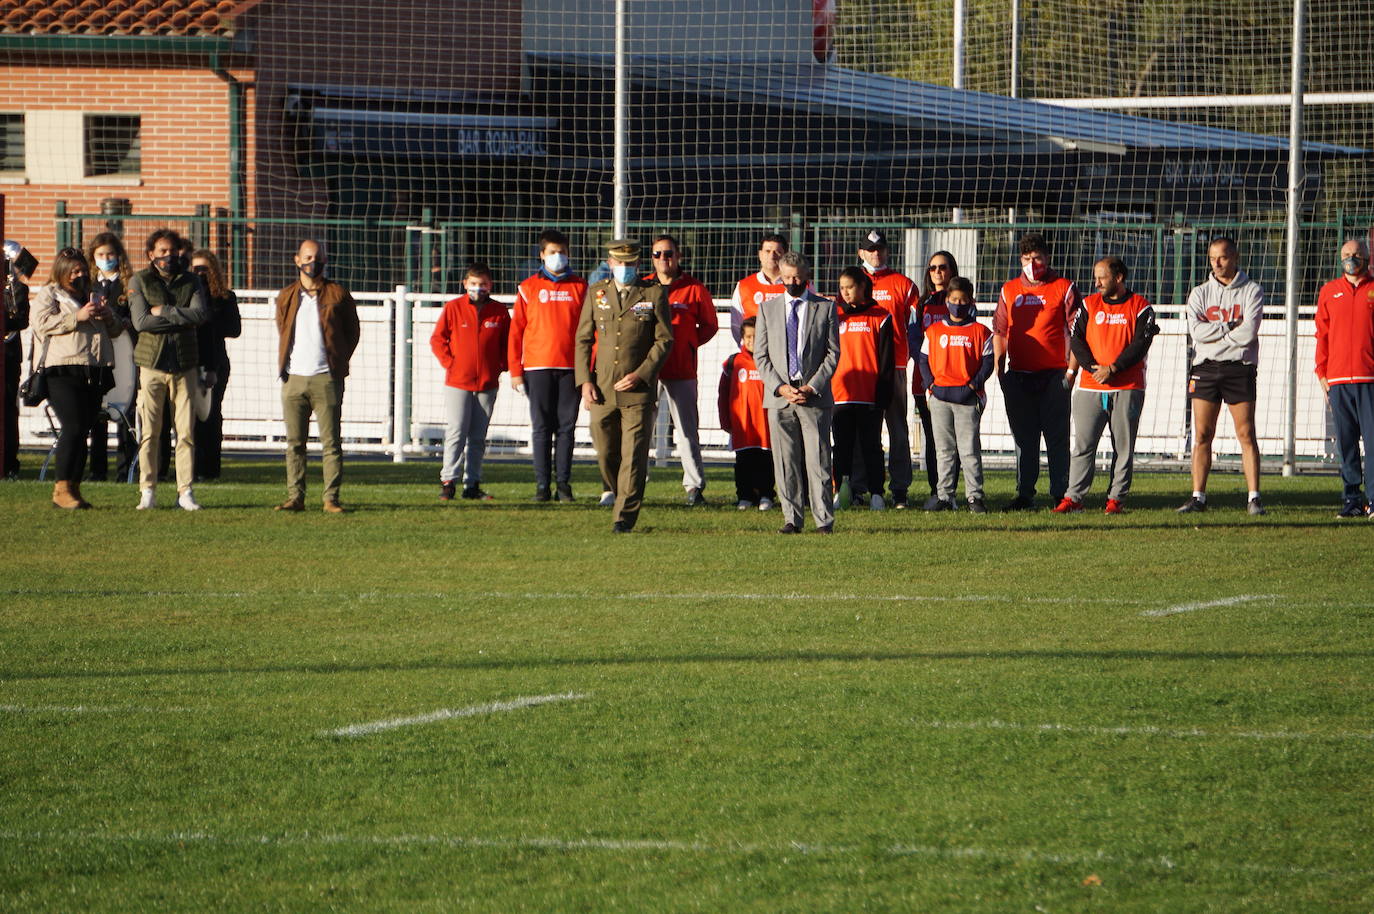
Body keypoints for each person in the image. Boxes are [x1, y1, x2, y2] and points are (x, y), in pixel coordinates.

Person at [575, 239, 673, 533]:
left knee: (634, 455)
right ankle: (617, 489)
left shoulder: (653, 293)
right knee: (605, 449)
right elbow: (583, 340)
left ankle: (624, 517)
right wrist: (584, 381)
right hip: (602, 387)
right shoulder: (597, 293)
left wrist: (642, 373)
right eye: (620, 263)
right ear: (610, 263)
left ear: (638, 264)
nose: (625, 268)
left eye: (630, 263)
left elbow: (664, 340)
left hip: (637, 390)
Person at [1055, 257, 1159, 515]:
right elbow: (1077, 339)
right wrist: (1093, 368)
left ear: (1119, 277)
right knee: (1082, 446)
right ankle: (1074, 498)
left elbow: (1140, 344)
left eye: (1102, 277)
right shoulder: (1088, 304)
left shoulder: (1141, 307)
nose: (1097, 283)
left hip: (1127, 386)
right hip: (1090, 387)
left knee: (1123, 448)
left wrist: (1113, 368)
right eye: (1096, 277)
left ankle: (1115, 500)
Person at [29, 247, 124, 509]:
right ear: (62, 272)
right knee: (72, 426)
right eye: (73, 271)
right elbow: (41, 323)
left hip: (94, 368)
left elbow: (116, 329)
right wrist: (76, 317)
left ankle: (74, 487)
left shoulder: (93, 293)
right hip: (62, 369)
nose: (79, 275)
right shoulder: (50, 293)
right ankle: (61, 488)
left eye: (82, 270)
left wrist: (109, 316)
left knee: (83, 429)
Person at [1177, 236, 1265, 515]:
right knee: (1202, 434)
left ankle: (1254, 498)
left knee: (1246, 433)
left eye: (1223, 257)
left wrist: (1216, 334)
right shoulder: (1199, 293)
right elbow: (1197, 332)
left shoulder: (1251, 291)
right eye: (1212, 258)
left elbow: (1248, 332)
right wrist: (1228, 327)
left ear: (1235, 257)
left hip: (1239, 368)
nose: (1216, 263)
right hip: (1205, 367)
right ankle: (1198, 497)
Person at [754, 251, 840, 533]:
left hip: (813, 395)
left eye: (798, 278)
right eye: (787, 278)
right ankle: (791, 519)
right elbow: (761, 356)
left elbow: (832, 354)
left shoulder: (825, 308)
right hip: (780, 396)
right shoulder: (767, 310)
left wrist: (812, 386)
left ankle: (823, 521)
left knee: (819, 461)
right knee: (785, 462)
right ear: (780, 276)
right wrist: (780, 387)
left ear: (807, 277)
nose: (792, 283)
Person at [994, 232, 1080, 510]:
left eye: (1038, 258)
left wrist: (1071, 373)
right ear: (1020, 259)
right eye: (1027, 258)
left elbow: (1078, 332)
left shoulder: (1064, 287)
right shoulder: (1009, 290)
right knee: (1024, 440)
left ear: (1048, 257)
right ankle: (1024, 495)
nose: (1033, 264)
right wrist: (1000, 371)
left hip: (1055, 376)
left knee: (1057, 439)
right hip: (1019, 376)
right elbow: (1000, 331)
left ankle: (1061, 494)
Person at [274, 239, 360, 513]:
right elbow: (282, 328)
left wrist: (338, 360)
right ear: (297, 260)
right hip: (293, 379)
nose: (313, 262)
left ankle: (330, 499)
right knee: (294, 444)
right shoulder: (287, 296)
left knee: (331, 443)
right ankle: (295, 497)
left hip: (327, 378)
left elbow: (352, 333)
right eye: (308, 257)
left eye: (318, 257)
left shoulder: (338, 294)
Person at [128, 228, 209, 510]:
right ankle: (147, 490)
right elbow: (141, 321)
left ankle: (185, 491)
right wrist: (180, 318)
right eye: (162, 251)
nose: (168, 256)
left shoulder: (192, 281)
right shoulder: (139, 280)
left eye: (172, 251)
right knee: (150, 432)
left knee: (185, 432)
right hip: (151, 364)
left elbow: (199, 315)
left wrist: (164, 311)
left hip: (185, 364)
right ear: (151, 254)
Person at [509, 229, 588, 502]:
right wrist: (515, 372)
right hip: (537, 368)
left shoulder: (581, 287)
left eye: (562, 252)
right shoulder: (528, 288)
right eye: (552, 252)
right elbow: (516, 332)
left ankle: (563, 485)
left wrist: (588, 369)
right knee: (541, 428)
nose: (558, 256)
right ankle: (542, 487)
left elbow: (590, 332)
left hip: (571, 368)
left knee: (567, 428)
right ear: (542, 255)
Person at [430, 261, 509, 501]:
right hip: (458, 381)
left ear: (490, 285)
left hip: (487, 383)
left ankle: (472, 483)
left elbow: (507, 343)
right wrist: (451, 364)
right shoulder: (453, 308)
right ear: (465, 284)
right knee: (456, 431)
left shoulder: (499, 311)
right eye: (474, 283)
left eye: (483, 284)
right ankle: (448, 481)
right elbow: (438, 340)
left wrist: (500, 366)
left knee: (478, 436)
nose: (478, 288)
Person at [650, 234, 718, 506]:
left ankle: (694, 486)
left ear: (678, 256)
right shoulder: (643, 287)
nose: (663, 259)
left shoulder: (694, 288)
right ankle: (634, 482)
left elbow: (710, 326)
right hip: (648, 370)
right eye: (657, 254)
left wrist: (688, 344)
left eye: (668, 253)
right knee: (640, 429)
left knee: (687, 430)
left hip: (682, 369)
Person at [918, 277, 992, 512]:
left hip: (967, 400)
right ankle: (944, 496)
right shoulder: (934, 331)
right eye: (953, 299)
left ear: (971, 301)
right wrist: (931, 385)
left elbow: (988, 363)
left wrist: (973, 386)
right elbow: (923, 360)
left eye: (962, 300)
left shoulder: (981, 331)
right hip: (940, 397)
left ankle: (974, 497)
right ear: (947, 300)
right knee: (944, 450)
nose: (957, 304)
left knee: (969, 450)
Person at [855, 229, 915, 508]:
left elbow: (916, 326)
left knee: (898, 431)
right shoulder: (852, 282)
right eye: (870, 249)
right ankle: (858, 487)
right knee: (861, 431)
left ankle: (899, 489)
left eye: (879, 249)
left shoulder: (904, 284)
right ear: (861, 253)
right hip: (861, 369)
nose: (875, 254)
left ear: (887, 251)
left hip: (895, 367)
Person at [1314, 238, 1374, 518]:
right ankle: (1352, 500)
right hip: (1338, 382)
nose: (1352, 258)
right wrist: (1322, 371)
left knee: (1372, 444)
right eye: (1347, 254)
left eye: (1357, 254)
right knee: (1346, 444)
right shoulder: (1329, 291)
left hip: (1369, 379)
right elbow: (1322, 334)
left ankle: (1373, 499)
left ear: (1367, 257)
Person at [831, 265, 894, 511]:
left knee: (872, 446)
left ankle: (877, 493)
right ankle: (842, 491)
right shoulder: (835, 316)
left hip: (870, 395)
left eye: (850, 287)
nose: (845, 292)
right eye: (842, 288)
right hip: (840, 394)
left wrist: (883, 394)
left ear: (862, 287)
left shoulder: (881, 316)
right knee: (842, 447)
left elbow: (887, 359)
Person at [82, 233, 136, 482]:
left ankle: (125, 470)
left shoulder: (129, 285)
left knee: (125, 410)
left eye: (110, 254)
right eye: (101, 255)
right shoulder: (89, 285)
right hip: (98, 354)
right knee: (97, 410)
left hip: (124, 353)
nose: (106, 259)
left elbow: (135, 317)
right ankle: (97, 470)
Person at [911, 250, 960, 499]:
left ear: (951, 270)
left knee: (955, 438)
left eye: (942, 267)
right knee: (932, 437)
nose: (937, 272)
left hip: (956, 381)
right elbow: (914, 341)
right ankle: (935, 490)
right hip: (926, 382)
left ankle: (951, 490)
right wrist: (929, 372)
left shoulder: (962, 302)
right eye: (933, 268)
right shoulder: (920, 305)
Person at [190, 249, 241, 481]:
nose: (200, 273)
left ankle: (210, 468)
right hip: (190, 360)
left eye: (205, 268)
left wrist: (209, 319)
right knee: (189, 416)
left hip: (216, 361)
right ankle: (191, 467)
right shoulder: (186, 295)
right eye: (196, 269)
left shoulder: (225, 297)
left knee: (211, 414)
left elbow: (234, 329)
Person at [717, 316, 775, 511]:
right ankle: (745, 496)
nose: (752, 340)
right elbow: (723, 394)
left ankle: (766, 495)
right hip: (742, 424)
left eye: (756, 336)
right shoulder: (733, 362)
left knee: (766, 461)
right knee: (743, 461)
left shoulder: (772, 360)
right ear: (742, 338)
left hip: (766, 424)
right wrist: (725, 421)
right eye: (748, 337)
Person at [3, 241, 37, 480]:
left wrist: (13, 282)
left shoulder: (18, 288)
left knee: (7, 407)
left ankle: (9, 462)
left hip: (8, 354)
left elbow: (21, 320)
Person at [729, 233, 788, 344]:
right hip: (755, 351)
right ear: (760, 254)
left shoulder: (799, 285)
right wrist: (748, 349)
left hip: (787, 351)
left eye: (777, 252)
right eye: (767, 251)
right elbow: (736, 325)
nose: (772, 256)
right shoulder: (744, 286)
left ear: (785, 255)